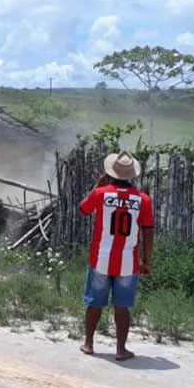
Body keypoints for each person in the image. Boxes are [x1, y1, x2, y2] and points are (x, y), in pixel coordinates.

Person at [78, 150, 154, 361]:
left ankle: (89, 343)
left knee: (95, 302)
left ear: (110, 173)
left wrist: (98, 184)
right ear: (132, 175)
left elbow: (82, 210)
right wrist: (146, 262)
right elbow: (148, 232)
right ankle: (120, 350)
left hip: (100, 259)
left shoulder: (101, 194)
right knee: (122, 305)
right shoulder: (143, 200)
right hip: (128, 263)